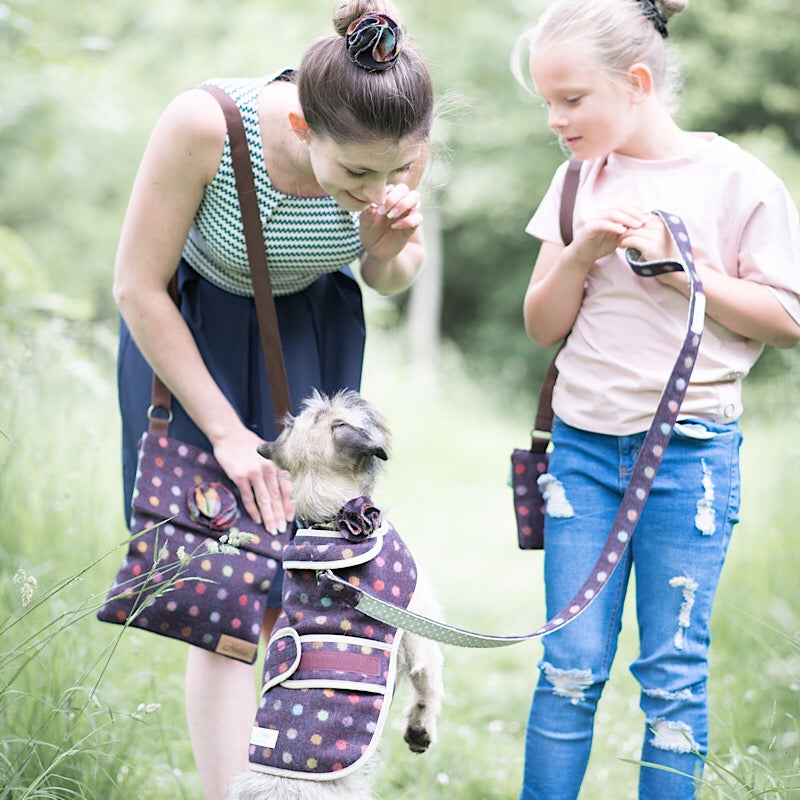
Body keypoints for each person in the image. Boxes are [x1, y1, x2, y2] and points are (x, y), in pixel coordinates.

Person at [111, 2, 434, 797]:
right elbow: (136, 286)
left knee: (304, 579)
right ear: (299, 119)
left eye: (394, 172)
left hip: (311, 338)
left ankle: (291, 777)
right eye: (357, 175)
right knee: (225, 599)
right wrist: (224, 434)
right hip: (194, 342)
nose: (377, 188)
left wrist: (390, 248)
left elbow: (393, 273)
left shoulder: (396, 141)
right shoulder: (206, 126)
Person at [510, 1, 800, 798]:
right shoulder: (575, 181)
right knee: (568, 663)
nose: (555, 119)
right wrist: (582, 251)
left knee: (672, 672)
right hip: (583, 453)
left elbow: (787, 318)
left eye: (572, 99)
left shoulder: (738, 180)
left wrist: (679, 266)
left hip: (692, 458)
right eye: (546, 100)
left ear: (636, 82)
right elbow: (542, 325)